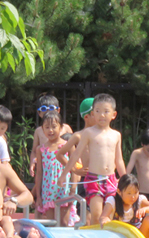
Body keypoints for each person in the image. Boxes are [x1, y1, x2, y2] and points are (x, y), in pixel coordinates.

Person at [63, 93, 126, 225]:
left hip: (111, 179)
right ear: (93, 113)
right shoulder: (89, 133)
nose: (101, 115)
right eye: (97, 111)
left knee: (110, 215)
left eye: (106, 111)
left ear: (113, 115)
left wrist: (125, 179)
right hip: (94, 179)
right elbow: (75, 154)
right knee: (96, 215)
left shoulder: (116, 135)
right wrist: (64, 174)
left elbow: (119, 160)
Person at [33, 111, 76, 226]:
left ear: (61, 128)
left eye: (54, 127)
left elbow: (75, 168)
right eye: (47, 127)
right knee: (52, 223)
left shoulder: (67, 145)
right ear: (42, 129)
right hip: (48, 191)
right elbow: (39, 174)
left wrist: (73, 187)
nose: (50, 130)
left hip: (64, 190)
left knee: (64, 222)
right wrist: (39, 196)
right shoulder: (40, 149)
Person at [56, 97, 95, 216]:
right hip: (87, 179)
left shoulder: (106, 135)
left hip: (103, 179)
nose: (101, 116)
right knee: (87, 217)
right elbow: (60, 154)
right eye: (97, 112)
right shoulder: (79, 136)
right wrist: (75, 170)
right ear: (87, 117)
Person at [0, 161, 41, 238]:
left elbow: (28, 196)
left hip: (0, 221)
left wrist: (14, 200)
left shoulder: (3, 170)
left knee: (11, 234)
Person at [29, 94, 73, 177]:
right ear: (39, 113)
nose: (48, 112)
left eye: (52, 108)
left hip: (64, 166)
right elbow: (34, 151)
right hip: (46, 168)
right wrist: (32, 163)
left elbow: (75, 148)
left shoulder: (66, 128)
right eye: (44, 109)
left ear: (58, 110)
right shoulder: (38, 131)